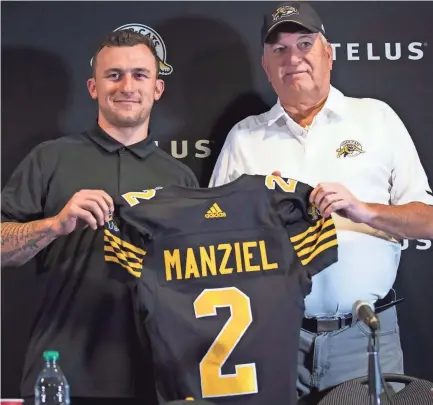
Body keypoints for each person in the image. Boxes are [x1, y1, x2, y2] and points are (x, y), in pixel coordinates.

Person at [209, 2, 433, 403]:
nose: (292, 58)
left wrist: (365, 211)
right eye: (279, 49)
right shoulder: (244, 138)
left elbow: (428, 220)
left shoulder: (375, 119)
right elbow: (213, 240)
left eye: (305, 44)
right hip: (272, 339)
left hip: (364, 338)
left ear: (328, 53)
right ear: (266, 63)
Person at [1, 30, 198, 405]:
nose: (127, 86)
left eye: (140, 75)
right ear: (93, 87)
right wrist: (54, 225)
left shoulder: (180, 177)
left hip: (158, 376)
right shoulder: (50, 159)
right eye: (114, 75)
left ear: (157, 89)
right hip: (62, 372)